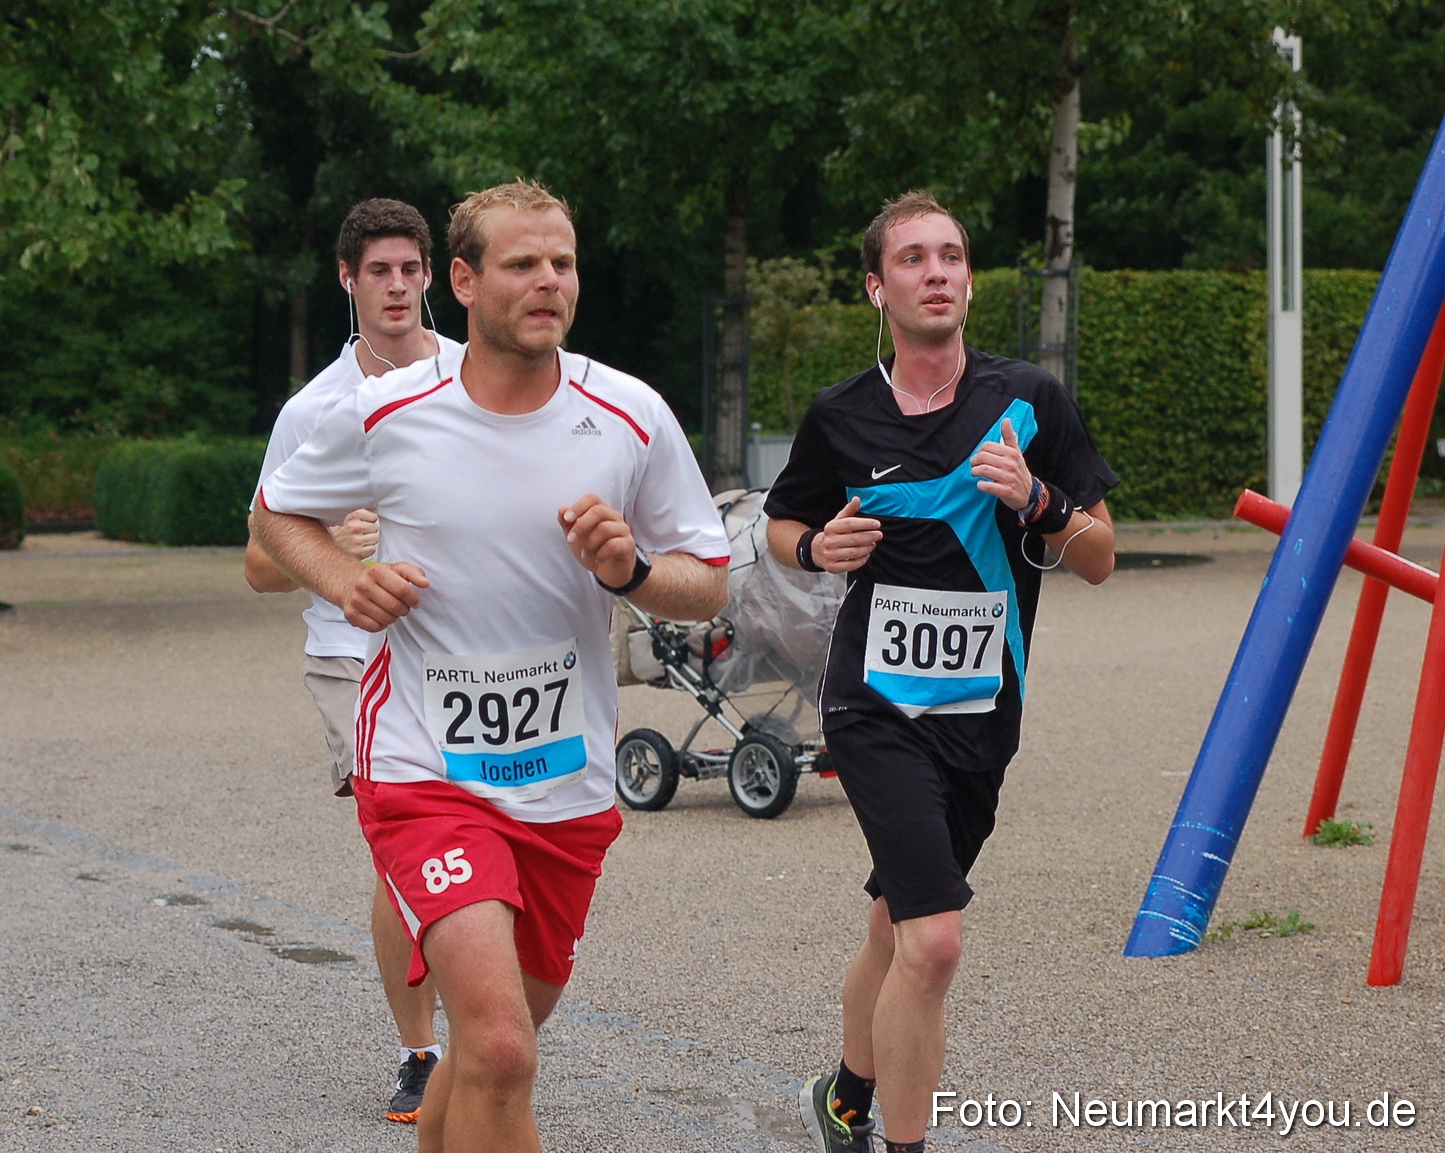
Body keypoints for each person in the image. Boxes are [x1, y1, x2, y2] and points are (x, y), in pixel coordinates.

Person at [251, 179, 730, 1153]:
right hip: (428, 769)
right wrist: (347, 582)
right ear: (463, 282)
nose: (548, 281)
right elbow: (275, 516)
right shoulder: (386, 410)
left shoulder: (630, 415)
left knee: (486, 1056)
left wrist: (631, 567)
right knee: (504, 1051)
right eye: (522, 263)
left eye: (562, 262)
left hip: (567, 782)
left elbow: (710, 581)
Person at [765, 190, 1118, 1153]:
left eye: (951, 256)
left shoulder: (1028, 401)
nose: (937, 273)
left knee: (894, 924)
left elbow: (1099, 554)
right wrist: (815, 549)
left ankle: (842, 1096)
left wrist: (1040, 498)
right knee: (935, 938)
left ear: (968, 277)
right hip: (873, 708)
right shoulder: (841, 415)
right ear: (879, 287)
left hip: (982, 713)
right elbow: (782, 524)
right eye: (913, 259)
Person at [244, 198, 462, 1123]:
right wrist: (328, 535)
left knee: (490, 840)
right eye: (380, 270)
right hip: (352, 656)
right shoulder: (315, 409)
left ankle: (489, 1020)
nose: (399, 286)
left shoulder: (474, 374)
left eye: (412, 269)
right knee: (400, 852)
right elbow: (258, 561)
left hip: (467, 651)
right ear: (347, 278)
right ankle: (420, 1049)